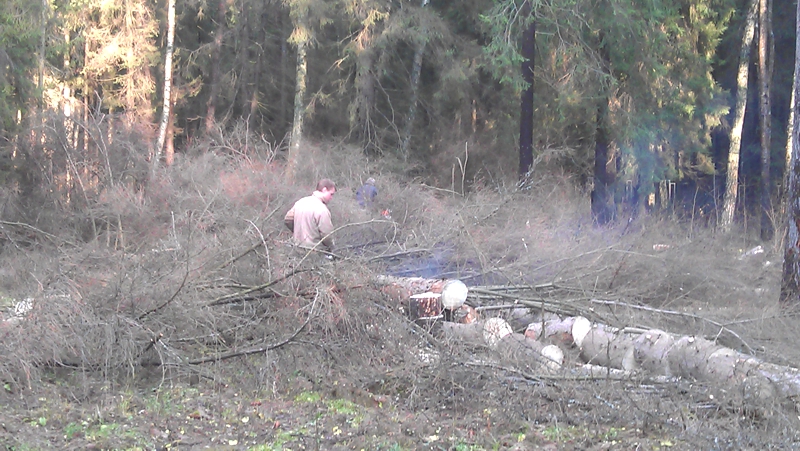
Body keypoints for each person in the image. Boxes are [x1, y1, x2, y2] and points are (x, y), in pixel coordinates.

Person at [284, 179, 337, 252]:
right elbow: (327, 235)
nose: (331, 198)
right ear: (324, 190)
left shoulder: (300, 202)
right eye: (331, 194)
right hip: (314, 252)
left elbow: (288, 220)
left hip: (296, 248)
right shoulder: (322, 209)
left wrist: (297, 231)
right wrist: (331, 247)